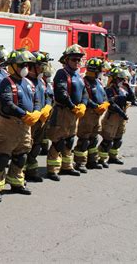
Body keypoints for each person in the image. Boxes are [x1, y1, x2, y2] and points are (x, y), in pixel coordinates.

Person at [0, 50, 41, 202]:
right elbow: (7, 102)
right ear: (12, 66)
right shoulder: (6, 82)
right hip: (9, 125)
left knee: (21, 156)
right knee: (2, 157)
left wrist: (36, 112)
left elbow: (36, 99)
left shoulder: (29, 82)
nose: (26, 68)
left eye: (27, 65)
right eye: (22, 65)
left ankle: (16, 182)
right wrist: (24, 114)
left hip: (25, 126)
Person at [45, 45, 88, 181]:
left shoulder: (79, 75)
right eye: (74, 59)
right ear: (67, 60)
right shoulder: (62, 73)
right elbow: (61, 92)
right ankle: (52, 169)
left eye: (79, 60)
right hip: (63, 111)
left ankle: (67, 166)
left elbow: (84, 92)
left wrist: (83, 105)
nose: (77, 62)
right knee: (59, 141)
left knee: (70, 140)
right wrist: (72, 106)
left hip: (75, 113)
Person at [73, 58, 110, 172]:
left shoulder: (98, 81)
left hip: (97, 115)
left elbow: (104, 95)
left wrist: (105, 103)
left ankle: (92, 161)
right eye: (100, 70)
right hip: (88, 115)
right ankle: (80, 163)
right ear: (94, 70)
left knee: (94, 139)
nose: (101, 73)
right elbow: (84, 98)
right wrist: (95, 106)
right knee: (84, 140)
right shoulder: (84, 82)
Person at [25, 51, 53, 182]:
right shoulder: (24, 82)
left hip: (41, 120)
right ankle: (19, 174)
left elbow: (48, 96)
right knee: (24, 149)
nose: (42, 69)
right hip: (29, 121)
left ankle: (31, 171)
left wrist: (47, 107)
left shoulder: (41, 81)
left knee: (36, 146)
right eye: (39, 67)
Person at [98, 67, 131, 166]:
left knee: (118, 139)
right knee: (108, 140)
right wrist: (122, 114)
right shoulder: (109, 90)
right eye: (120, 79)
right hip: (112, 117)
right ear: (114, 79)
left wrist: (128, 87)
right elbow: (112, 104)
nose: (122, 81)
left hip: (121, 117)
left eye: (123, 79)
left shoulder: (122, 89)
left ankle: (113, 157)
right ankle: (102, 159)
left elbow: (132, 98)